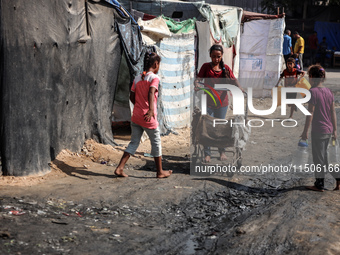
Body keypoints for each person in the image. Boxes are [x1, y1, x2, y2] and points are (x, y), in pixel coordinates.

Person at [114, 52, 172, 178]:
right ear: (156, 64)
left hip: (136, 115)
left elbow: (131, 96)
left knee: (134, 142)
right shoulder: (154, 78)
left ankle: (120, 168)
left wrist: (139, 106)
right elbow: (151, 92)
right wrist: (150, 109)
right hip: (147, 117)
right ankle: (160, 171)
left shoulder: (137, 78)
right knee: (156, 143)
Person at [195, 44, 243, 163]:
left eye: (218, 57)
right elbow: (198, 78)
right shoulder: (206, 67)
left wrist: (240, 88)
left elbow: (233, 79)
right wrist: (196, 84)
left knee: (220, 128)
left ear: (221, 56)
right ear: (210, 55)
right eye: (214, 56)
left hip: (222, 103)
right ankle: (207, 153)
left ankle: (222, 151)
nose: (216, 59)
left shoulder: (225, 68)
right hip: (208, 102)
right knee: (207, 128)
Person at [301, 65, 340, 191]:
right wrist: (335, 129)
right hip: (328, 130)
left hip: (318, 130)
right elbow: (333, 111)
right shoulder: (329, 92)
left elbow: (310, 114)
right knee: (326, 159)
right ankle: (338, 180)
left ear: (312, 77)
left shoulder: (312, 92)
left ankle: (319, 184)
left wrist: (305, 132)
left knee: (319, 159)